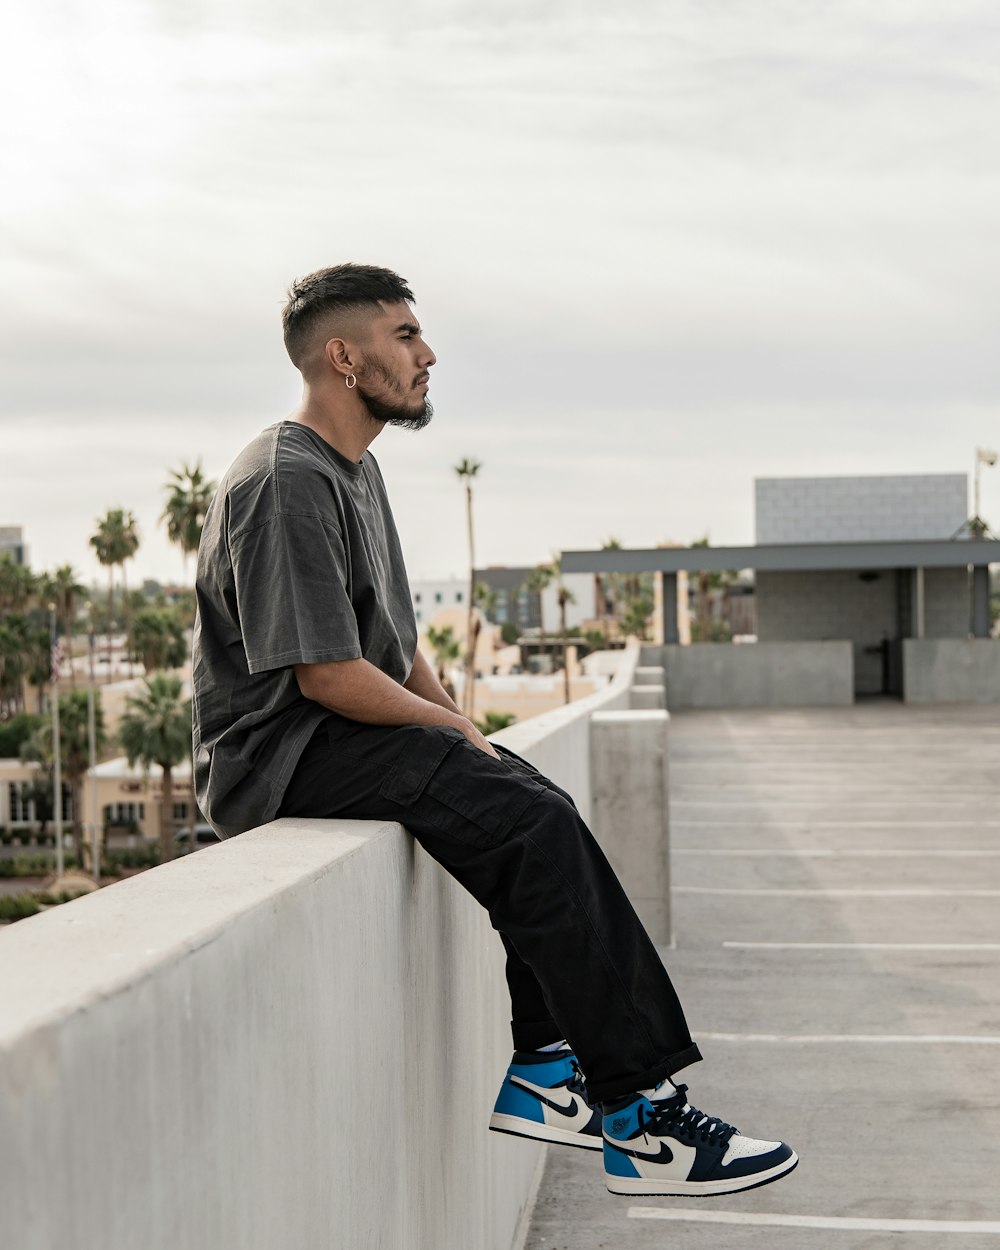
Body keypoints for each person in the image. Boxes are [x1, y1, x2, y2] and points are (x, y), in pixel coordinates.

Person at [191, 263, 798, 1197]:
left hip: (343, 738)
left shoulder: (355, 470)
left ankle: (548, 1070)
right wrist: (443, 730)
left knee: (532, 800)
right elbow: (324, 672)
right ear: (343, 356)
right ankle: (639, 1119)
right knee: (532, 825)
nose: (426, 354)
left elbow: (391, 647)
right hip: (282, 758)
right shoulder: (285, 481)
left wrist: (462, 730)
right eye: (404, 336)